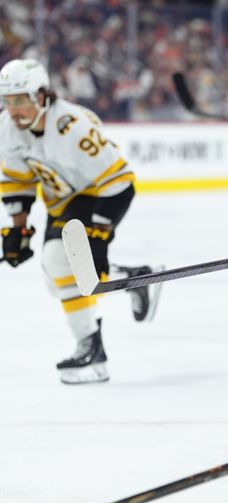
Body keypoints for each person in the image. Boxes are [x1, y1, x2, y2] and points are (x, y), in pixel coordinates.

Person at [0, 58, 161, 384]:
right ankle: (134, 279)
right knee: (56, 275)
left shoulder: (73, 127)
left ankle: (91, 350)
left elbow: (120, 185)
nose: (13, 109)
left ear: (41, 97)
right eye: (7, 100)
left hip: (97, 195)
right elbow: (18, 181)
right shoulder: (8, 127)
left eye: (20, 100)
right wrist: (18, 229)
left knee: (59, 262)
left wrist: (100, 235)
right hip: (61, 201)